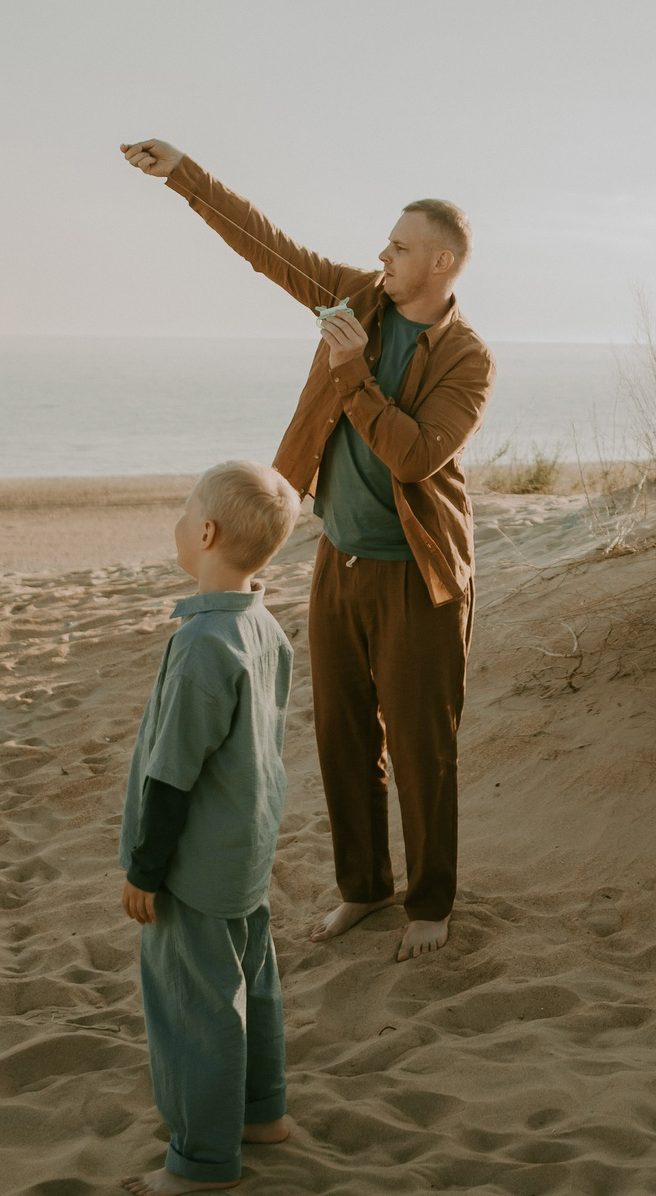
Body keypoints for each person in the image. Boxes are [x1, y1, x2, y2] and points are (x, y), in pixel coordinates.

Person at [120, 138, 493, 964]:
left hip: (420, 577)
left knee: (424, 745)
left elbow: (413, 457)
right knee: (343, 736)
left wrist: (355, 374)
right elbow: (268, 248)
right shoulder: (357, 298)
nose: (382, 256)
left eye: (398, 247)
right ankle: (365, 888)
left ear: (438, 262)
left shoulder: (467, 358)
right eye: (384, 245)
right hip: (341, 561)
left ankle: (431, 902)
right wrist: (184, 174)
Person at [116, 460, 303, 1196]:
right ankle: (262, 1114)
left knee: (194, 1006)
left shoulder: (201, 646)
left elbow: (171, 774)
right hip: (247, 848)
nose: (179, 518)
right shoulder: (263, 628)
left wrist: (145, 869)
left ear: (205, 531)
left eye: (184, 507)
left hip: (193, 864)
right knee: (253, 985)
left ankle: (200, 1159)